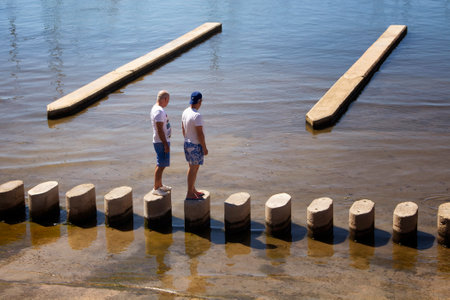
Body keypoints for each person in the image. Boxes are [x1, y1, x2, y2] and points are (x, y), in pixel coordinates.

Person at [182, 91, 208, 200]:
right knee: (193, 169)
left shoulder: (185, 111)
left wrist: (187, 138)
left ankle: (192, 189)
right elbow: (200, 134)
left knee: (193, 167)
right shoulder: (197, 115)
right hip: (195, 145)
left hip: (187, 143)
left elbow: (183, 129)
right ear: (200, 101)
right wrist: (204, 148)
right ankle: (189, 193)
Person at [150, 90, 172, 196]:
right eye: (168, 100)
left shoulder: (157, 109)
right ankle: (156, 188)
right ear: (165, 99)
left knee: (161, 163)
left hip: (160, 141)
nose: (168, 103)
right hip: (160, 141)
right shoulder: (158, 111)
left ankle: (159, 185)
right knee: (161, 165)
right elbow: (159, 129)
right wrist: (165, 144)